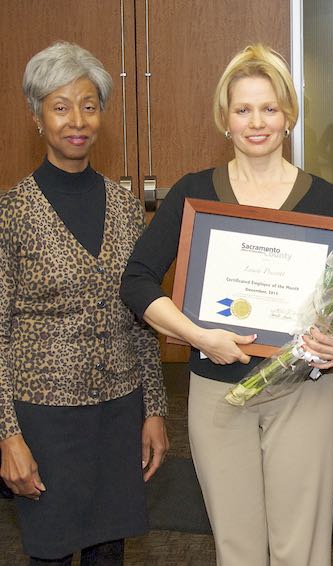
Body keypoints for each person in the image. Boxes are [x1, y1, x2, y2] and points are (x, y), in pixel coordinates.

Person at [120, 44, 333, 566]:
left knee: (299, 548)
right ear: (225, 119)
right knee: (236, 548)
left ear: (289, 117)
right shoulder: (193, 196)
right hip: (218, 394)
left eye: (269, 108)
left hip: (304, 391)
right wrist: (196, 334)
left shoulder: (327, 201)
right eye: (243, 109)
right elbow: (137, 282)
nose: (257, 122)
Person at [0, 42, 169, 565]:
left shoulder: (124, 207)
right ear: (36, 116)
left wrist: (156, 409)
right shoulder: (12, 212)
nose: (77, 120)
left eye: (89, 105)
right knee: (49, 554)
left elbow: (142, 314)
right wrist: (7, 435)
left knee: (109, 551)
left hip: (119, 410)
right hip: (43, 418)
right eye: (60, 106)